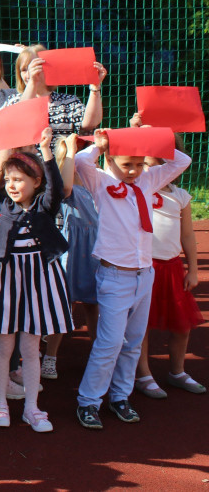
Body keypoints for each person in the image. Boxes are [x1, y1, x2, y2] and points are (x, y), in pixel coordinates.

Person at [73, 128, 191, 429]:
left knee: (134, 341)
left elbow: (181, 162)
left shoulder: (148, 180)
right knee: (110, 342)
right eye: (127, 164)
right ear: (111, 160)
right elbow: (81, 163)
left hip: (144, 275)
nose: (134, 171)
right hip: (115, 276)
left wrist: (156, 142)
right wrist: (99, 146)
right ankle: (88, 401)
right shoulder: (102, 181)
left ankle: (121, 396)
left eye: (139, 164)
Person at [0, 125, 70, 433]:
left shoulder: (45, 205)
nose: (12, 186)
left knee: (30, 346)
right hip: (7, 282)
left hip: (39, 282)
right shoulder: (1, 205)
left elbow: (56, 187)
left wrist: (47, 150)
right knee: (3, 344)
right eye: (9, 180)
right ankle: (0, 402)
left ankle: (31, 407)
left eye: (19, 180)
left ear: (35, 182)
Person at [135, 146, 205, 398]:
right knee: (142, 325)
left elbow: (187, 235)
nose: (157, 170)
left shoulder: (181, 196)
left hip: (173, 268)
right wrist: (138, 131)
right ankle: (143, 375)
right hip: (145, 267)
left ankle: (177, 372)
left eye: (163, 164)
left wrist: (193, 270)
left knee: (182, 325)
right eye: (149, 164)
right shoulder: (141, 190)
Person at [42, 134, 101, 379]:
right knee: (63, 305)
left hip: (93, 250)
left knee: (93, 304)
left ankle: (99, 356)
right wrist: (70, 152)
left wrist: (99, 144)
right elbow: (66, 187)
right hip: (69, 251)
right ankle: (50, 356)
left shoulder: (94, 181)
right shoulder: (63, 184)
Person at [7, 45, 106, 145]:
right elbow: (20, 117)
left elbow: (89, 125)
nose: (30, 73)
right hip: (27, 160)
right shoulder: (13, 101)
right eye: (24, 70)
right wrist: (33, 81)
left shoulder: (68, 101)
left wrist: (95, 88)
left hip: (61, 159)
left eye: (35, 67)